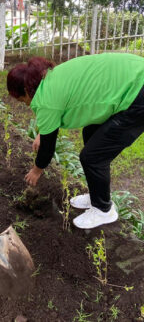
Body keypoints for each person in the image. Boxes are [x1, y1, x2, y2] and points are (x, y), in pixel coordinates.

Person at [7, 53, 144, 229]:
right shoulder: (49, 78)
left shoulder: (46, 100)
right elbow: (55, 110)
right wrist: (43, 132)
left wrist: (36, 170)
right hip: (131, 75)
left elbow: (48, 148)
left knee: (93, 157)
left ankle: (103, 210)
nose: (25, 104)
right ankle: (97, 196)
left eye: (21, 99)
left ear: (26, 90)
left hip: (137, 93)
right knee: (91, 133)